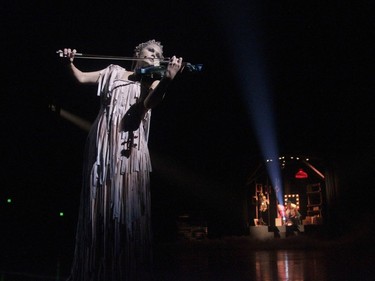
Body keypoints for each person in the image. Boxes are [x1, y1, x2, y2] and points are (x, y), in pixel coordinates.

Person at [60, 40, 183, 281]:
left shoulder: (153, 82)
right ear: (137, 53)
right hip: (104, 143)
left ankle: (125, 269)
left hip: (130, 148)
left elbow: (148, 104)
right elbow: (81, 78)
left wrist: (168, 79)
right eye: (150, 51)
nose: (155, 56)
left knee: (127, 206)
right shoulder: (113, 72)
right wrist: (69, 62)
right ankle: (94, 268)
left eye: (159, 54)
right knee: (100, 202)